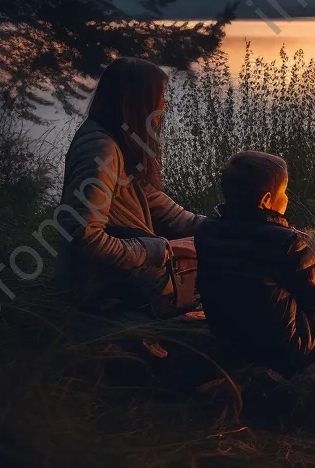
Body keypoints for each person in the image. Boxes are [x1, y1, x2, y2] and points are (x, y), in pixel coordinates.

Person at [195, 151, 315, 375]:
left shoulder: (206, 232)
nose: (287, 197)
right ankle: (308, 364)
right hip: (283, 349)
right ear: (267, 201)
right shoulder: (284, 241)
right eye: (284, 192)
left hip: (228, 338)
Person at [56, 57, 205, 313]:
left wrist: (230, 228)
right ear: (138, 102)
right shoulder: (101, 150)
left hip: (122, 282)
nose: (163, 106)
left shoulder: (119, 148)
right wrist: (163, 250)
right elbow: (85, 237)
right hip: (105, 291)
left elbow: (169, 213)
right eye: (160, 97)